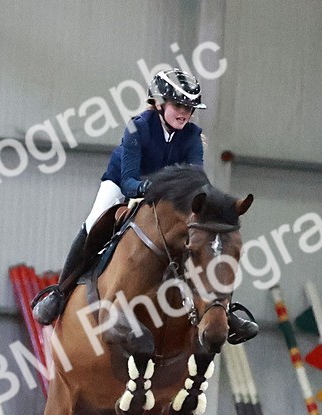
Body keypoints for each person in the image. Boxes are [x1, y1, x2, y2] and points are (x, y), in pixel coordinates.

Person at [31, 68, 257, 344]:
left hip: (167, 197)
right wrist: (149, 190)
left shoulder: (192, 136)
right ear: (159, 103)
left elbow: (197, 180)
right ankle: (61, 292)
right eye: (178, 105)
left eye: (189, 107)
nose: (185, 112)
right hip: (126, 186)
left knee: (206, 240)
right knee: (93, 224)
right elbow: (128, 181)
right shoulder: (138, 127)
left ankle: (224, 308)